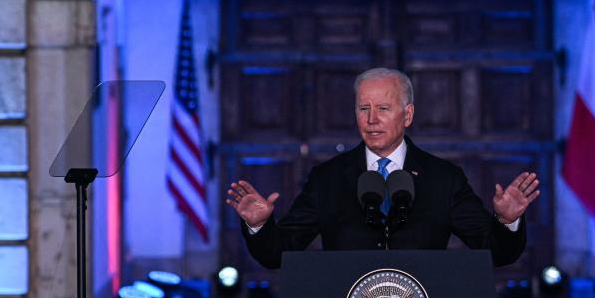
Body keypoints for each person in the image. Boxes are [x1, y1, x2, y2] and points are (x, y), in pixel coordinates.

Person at [226, 67, 539, 269]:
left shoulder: (444, 179)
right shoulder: (329, 178)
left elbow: (495, 253)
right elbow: (280, 253)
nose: (371, 119)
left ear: (408, 114)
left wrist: (507, 222)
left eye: (383, 109)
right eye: (364, 108)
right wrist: (260, 227)